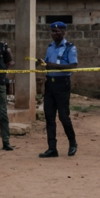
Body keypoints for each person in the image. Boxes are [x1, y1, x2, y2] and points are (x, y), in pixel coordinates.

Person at [37, 21, 78, 158]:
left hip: (62, 84)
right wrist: (42, 63)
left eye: (58, 31)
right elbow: (47, 63)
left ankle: (72, 143)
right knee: (49, 117)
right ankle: (52, 148)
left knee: (63, 117)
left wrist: (53, 65)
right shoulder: (50, 47)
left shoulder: (69, 47)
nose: (55, 34)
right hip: (50, 84)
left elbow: (73, 66)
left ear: (64, 32)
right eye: (53, 32)